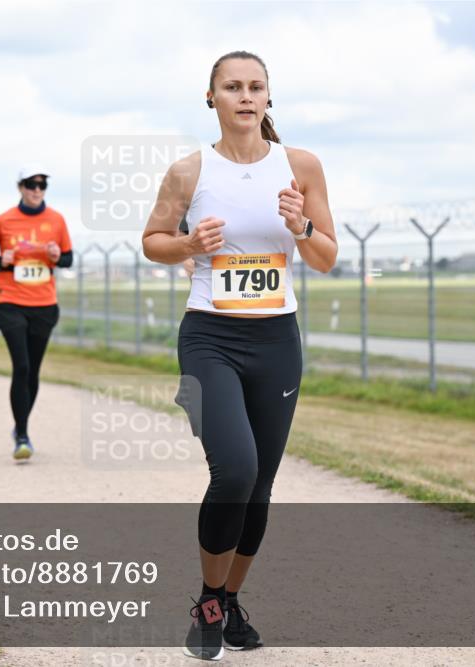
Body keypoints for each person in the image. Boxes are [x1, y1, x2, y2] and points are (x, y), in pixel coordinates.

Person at [141, 51, 337, 660]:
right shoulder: (188, 171)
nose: (245, 96)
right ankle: (207, 599)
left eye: (256, 87)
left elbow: (327, 256)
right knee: (236, 470)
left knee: (261, 486)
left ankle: (226, 602)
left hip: (277, 341)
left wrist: (302, 228)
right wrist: (187, 243)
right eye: (233, 87)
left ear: (268, 98)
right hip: (210, 337)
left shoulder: (300, 166)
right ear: (212, 98)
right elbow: (152, 243)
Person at [0, 164, 73, 461]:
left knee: (33, 370)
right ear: (20, 187)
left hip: (44, 303)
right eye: (31, 184)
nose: (37, 190)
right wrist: (1, 260)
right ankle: (22, 434)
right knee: (22, 366)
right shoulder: (4, 220)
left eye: (42, 185)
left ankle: (20, 426)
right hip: (10, 301)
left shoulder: (56, 220)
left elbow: (68, 259)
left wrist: (58, 256)